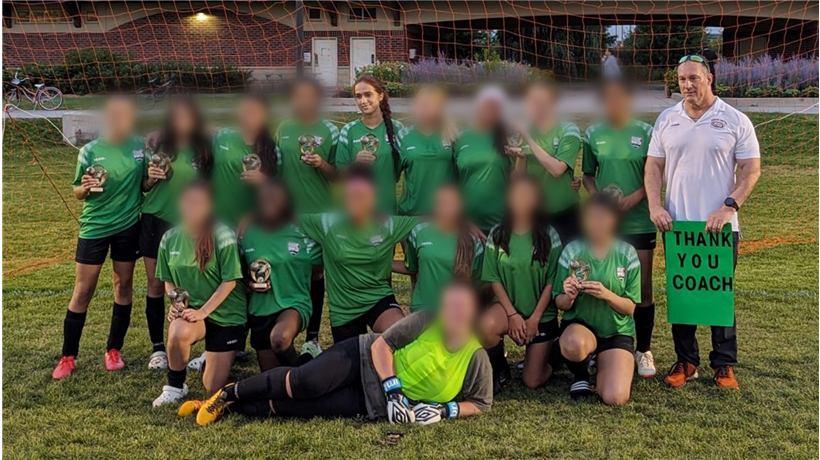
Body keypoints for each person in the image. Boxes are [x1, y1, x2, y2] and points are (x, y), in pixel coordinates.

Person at [177, 281, 492, 427]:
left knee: (300, 408)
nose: (452, 312)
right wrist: (395, 392)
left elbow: (480, 403)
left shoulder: (476, 358)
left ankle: (230, 409)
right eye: (449, 304)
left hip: (374, 402)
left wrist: (444, 411)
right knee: (303, 384)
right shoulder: (426, 321)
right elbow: (383, 345)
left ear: (473, 313)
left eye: (461, 307)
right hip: (364, 357)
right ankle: (226, 393)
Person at [645, 55, 761, 390]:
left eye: (693, 78)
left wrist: (729, 207)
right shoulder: (667, 119)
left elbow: (751, 169)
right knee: (683, 293)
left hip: (720, 227)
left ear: (709, 78)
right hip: (678, 225)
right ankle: (686, 360)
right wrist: (655, 205)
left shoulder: (735, 120)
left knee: (717, 293)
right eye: (681, 80)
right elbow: (653, 167)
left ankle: (723, 364)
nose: (687, 85)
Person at [52, 96, 145, 380]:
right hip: (95, 226)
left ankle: (114, 350)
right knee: (83, 290)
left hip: (128, 226)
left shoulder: (140, 146)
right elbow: (77, 191)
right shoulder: (90, 151)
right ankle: (68, 356)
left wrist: (154, 177)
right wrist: (85, 187)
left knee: (124, 285)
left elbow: (148, 181)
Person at [581, 79, 657, 379]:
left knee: (642, 287)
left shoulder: (647, 132)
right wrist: (600, 201)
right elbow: (588, 175)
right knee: (604, 281)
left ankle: (643, 350)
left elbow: (655, 173)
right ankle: (603, 347)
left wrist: (636, 197)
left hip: (639, 220)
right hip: (605, 225)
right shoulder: (592, 133)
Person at [296, 163, 420, 343]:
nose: (355, 203)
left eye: (361, 197)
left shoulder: (388, 224)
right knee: (352, 366)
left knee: (402, 335)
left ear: (373, 198)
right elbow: (287, 218)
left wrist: (464, 224)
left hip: (378, 298)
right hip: (344, 310)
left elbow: (429, 221)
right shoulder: (326, 223)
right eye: (351, 197)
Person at [152, 180, 247, 406]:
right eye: (188, 202)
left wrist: (203, 311)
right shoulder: (169, 238)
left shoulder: (223, 236)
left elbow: (230, 281)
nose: (193, 207)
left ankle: (211, 357)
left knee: (212, 387)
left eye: (199, 202)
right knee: (177, 330)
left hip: (226, 315)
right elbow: (168, 280)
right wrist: (178, 306)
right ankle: (175, 387)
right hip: (194, 314)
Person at [140, 96, 212, 370]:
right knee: (157, 285)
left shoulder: (204, 149)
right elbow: (144, 186)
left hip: (190, 225)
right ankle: (158, 348)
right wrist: (149, 178)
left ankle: (209, 348)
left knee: (199, 282)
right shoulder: (156, 145)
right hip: (155, 220)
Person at [554, 193, 641, 404]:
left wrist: (607, 295)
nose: (597, 223)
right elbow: (559, 302)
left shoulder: (627, 253)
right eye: (591, 217)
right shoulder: (572, 250)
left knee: (615, 397)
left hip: (616, 331)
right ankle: (581, 373)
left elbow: (630, 308)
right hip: (581, 327)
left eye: (602, 217)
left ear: (614, 220)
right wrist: (569, 295)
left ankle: (605, 362)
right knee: (574, 342)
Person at [479, 175, 564, 392]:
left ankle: (555, 354)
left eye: (527, 196)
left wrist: (534, 319)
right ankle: (500, 368)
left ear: (537, 201)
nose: (521, 201)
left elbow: (552, 282)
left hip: (540, 315)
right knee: (485, 326)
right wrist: (513, 315)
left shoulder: (549, 235)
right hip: (509, 310)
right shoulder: (498, 233)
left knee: (532, 381)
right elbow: (493, 277)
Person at [274, 77, 339, 354]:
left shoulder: (331, 131)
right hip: (289, 216)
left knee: (316, 272)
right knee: (290, 271)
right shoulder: (284, 129)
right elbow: (275, 171)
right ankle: (284, 329)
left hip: (321, 216)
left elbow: (341, 176)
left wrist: (322, 164)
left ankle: (312, 337)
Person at [239, 179, 322, 371]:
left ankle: (304, 371)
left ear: (286, 202)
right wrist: (250, 285)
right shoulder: (246, 233)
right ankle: (304, 367)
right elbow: (240, 274)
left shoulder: (303, 232)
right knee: (272, 379)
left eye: (275, 199)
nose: (270, 203)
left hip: (294, 303)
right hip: (259, 309)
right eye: (265, 199)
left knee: (280, 338)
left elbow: (319, 271)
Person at [398, 184, 484, 313]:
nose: (446, 208)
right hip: (422, 310)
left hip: (456, 314)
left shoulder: (473, 241)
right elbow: (412, 267)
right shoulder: (418, 232)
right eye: (442, 203)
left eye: (451, 203)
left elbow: (480, 282)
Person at [516, 81, 583, 243]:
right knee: (540, 265)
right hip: (535, 214)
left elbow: (557, 170)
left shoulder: (568, 129)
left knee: (569, 263)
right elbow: (517, 179)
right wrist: (520, 157)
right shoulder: (524, 131)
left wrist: (529, 140)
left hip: (565, 214)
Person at [454, 86, 524, 234]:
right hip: (466, 226)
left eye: (495, 106)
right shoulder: (460, 139)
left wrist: (521, 159)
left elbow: (517, 181)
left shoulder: (509, 138)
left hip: (501, 225)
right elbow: (452, 184)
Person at [336, 75, 404, 214]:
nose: (363, 101)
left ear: (380, 96)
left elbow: (401, 171)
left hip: (386, 210)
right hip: (356, 213)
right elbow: (340, 176)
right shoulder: (348, 131)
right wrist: (356, 165)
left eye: (368, 95)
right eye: (358, 96)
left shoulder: (397, 129)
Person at [396, 85, 459, 216]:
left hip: (444, 215)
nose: (423, 108)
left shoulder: (452, 136)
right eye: (420, 104)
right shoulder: (402, 136)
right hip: (411, 214)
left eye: (428, 104)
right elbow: (391, 174)